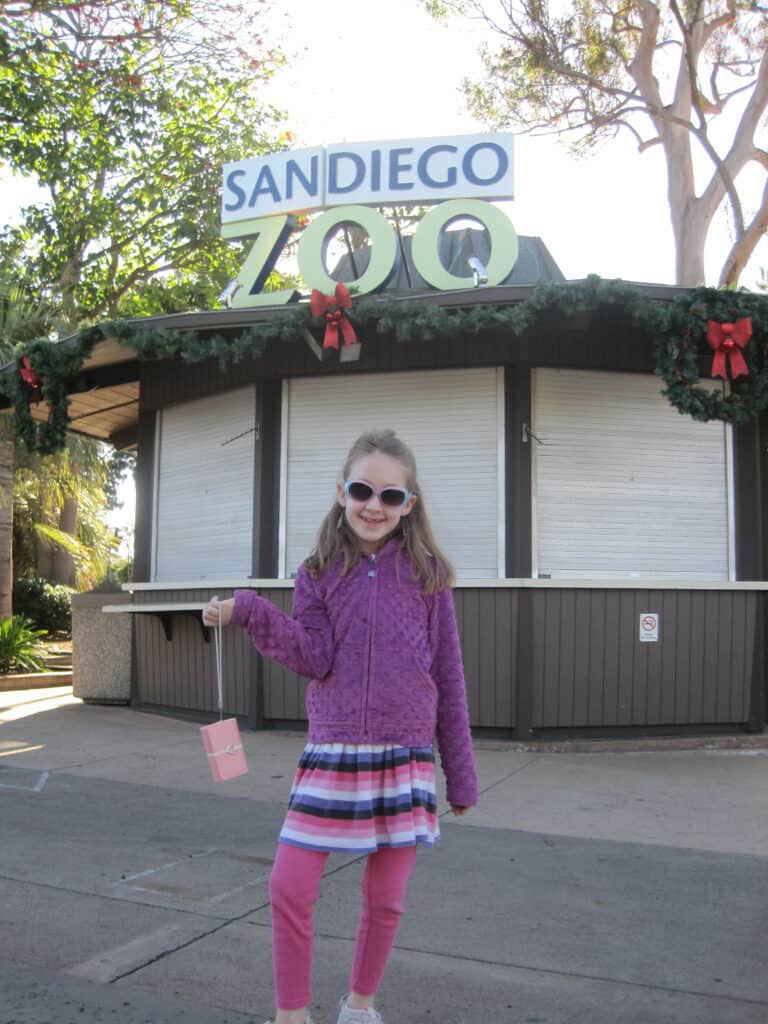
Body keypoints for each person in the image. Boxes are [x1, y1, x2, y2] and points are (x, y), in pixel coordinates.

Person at [202, 428, 478, 1024]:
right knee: (289, 887)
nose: (373, 506)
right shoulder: (318, 571)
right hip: (333, 755)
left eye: (390, 496)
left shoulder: (430, 576)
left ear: (410, 504)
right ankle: (291, 1015)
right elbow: (313, 657)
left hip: (404, 758)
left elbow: (449, 678)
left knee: (385, 900)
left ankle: (359, 1006)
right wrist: (250, 610)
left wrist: (462, 775)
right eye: (361, 490)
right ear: (341, 492)